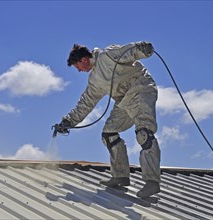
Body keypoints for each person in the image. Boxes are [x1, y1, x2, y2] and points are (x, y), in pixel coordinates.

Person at [55, 41, 161, 198]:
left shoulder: (107, 56)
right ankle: (120, 176)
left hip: (141, 90)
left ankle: (152, 182)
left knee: (144, 133)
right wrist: (68, 122)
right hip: (124, 101)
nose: (79, 70)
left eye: (78, 66)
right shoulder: (94, 81)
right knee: (109, 134)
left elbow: (129, 52)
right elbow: (86, 103)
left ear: (84, 60)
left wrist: (142, 49)